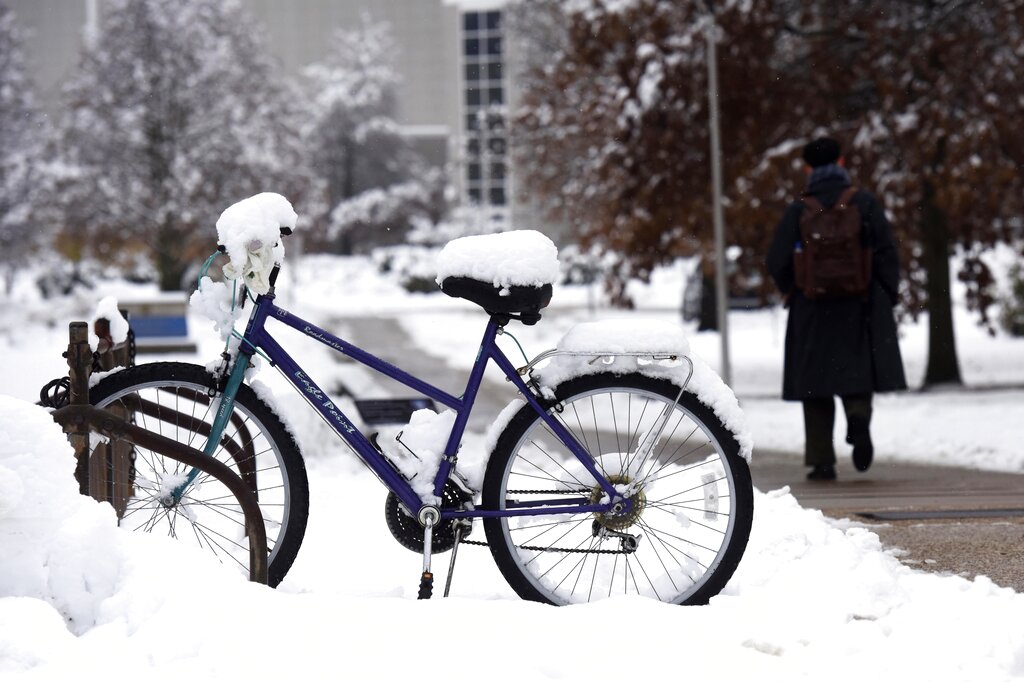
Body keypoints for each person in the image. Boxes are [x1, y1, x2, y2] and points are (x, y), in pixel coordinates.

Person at [766, 137, 907, 481]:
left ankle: (821, 460)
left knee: (814, 385)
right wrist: (884, 293)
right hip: (859, 304)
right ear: (841, 163)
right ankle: (858, 419)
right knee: (857, 372)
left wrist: (795, 289)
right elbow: (887, 251)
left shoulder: (799, 209)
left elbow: (776, 259)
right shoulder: (863, 202)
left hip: (811, 308)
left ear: (807, 169)